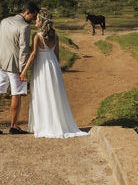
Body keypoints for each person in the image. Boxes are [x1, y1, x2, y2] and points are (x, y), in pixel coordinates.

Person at [20, 9, 88, 139]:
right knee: (54, 93)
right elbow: (57, 54)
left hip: (41, 66)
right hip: (53, 65)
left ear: (42, 21)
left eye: (37, 19)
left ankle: (44, 125)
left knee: (42, 93)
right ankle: (56, 123)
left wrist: (24, 71)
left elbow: (33, 55)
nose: (35, 21)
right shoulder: (55, 35)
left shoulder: (37, 36)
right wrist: (57, 69)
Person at [0, 1, 39, 135]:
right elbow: (23, 50)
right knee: (16, 94)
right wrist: (23, 70)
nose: (33, 20)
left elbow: (0, 40)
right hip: (14, 65)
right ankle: (14, 126)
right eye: (33, 16)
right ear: (27, 12)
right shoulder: (24, 27)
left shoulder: (4, 21)